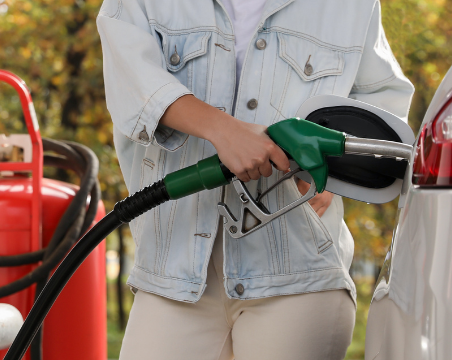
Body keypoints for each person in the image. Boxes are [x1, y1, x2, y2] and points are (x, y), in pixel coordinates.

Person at [97, 0, 414, 358]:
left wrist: (332, 170)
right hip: (172, 272)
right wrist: (223, 130)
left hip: (297, 271)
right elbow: (129, 77)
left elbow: (382, 103)